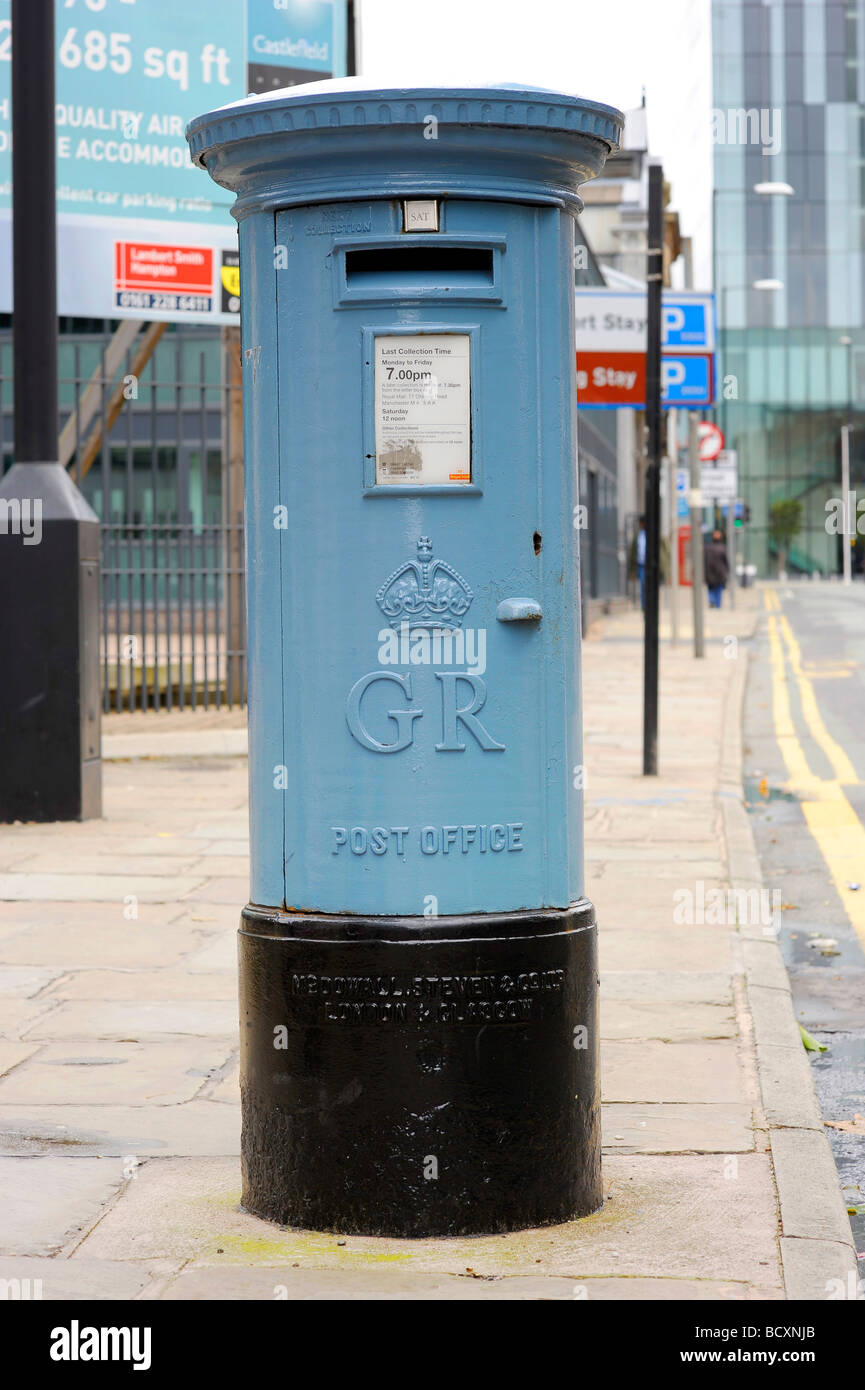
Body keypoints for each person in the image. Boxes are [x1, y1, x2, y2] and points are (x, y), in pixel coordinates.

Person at [704, 528, 729, 609]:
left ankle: (712, 601)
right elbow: (726, 561)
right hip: (719, 572)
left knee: (712, 588)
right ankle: (717, 605)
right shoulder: (722, 548)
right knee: (717, 589)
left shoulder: (707, 548)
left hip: (710, 572)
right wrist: (727, 570)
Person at [636, 515, 647, 611]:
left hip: (648, 564)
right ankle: (644, 605)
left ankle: (647, 603)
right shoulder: (639, 534)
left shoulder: (649, 534)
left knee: (647, 585)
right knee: (643, 585)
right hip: (641, 564)